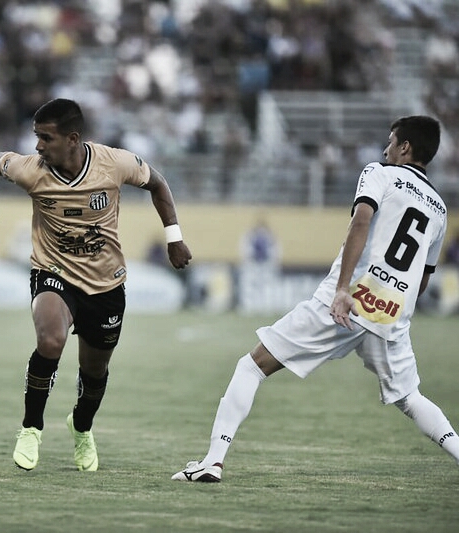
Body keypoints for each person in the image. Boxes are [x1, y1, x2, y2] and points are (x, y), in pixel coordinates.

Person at [172, 115, 459, 483]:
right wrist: (390, 307)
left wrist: (342, 290)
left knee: (252, 366)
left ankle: (213, 461)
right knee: (411, 398)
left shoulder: (380, 173)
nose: (385, 148)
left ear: (405, 147)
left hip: (345, 302)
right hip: (389, 316)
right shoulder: (439, 208)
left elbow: (360, 221)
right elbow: (422, 279)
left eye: (391, 141)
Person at [0, 98, 192, 471]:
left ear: (72, 139)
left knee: (94, 372)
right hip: (53, 271)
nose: (38, 146)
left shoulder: (114, 163)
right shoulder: (30, 170)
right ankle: (31, 427)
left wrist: (174, 238)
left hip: (106, 283)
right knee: (51, 340)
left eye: (47, 138)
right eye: (37, 137)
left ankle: (82, 427)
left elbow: (158, 183)